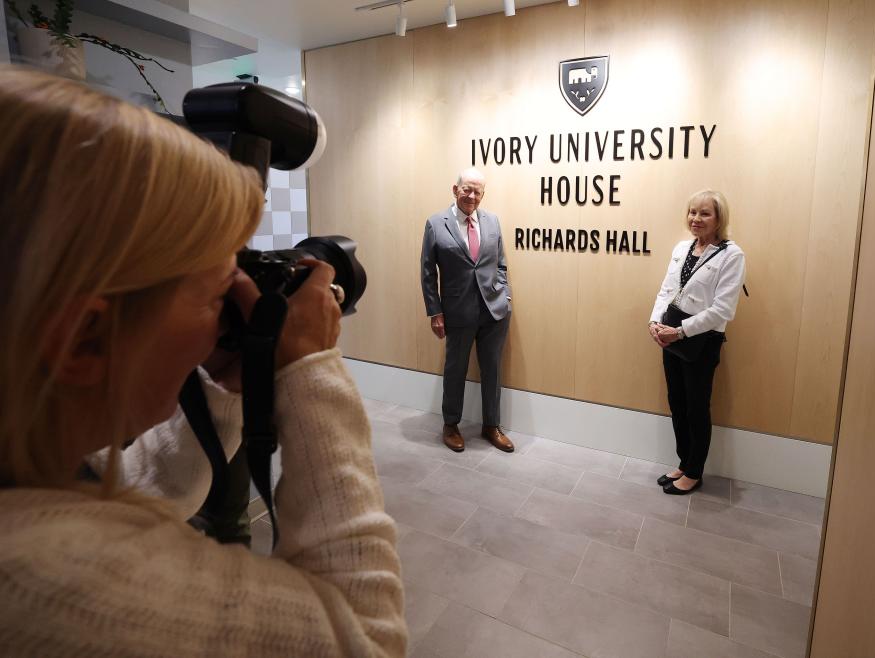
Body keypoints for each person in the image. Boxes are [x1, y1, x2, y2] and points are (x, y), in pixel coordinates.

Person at [0, 67, 406, 656]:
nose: (228, 320)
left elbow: (132, 492)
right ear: (85, 338)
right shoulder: (43, 584)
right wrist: (311, 370)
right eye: (219, 294)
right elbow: (365, 638)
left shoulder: (31, 489)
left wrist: (221, 393)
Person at [648, 190, 746, 495]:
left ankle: (694, 471)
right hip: (670, 334)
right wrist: (654, 321)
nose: (696, 219)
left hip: (701, 341)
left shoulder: (732, 255)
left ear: (719, 219)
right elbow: (667, 289)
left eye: (705, 213)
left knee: (696, 407)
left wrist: (679, 332)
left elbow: (722, 310)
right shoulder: (682, 248)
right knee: (676, 402)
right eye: (692, 212)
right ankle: (683, 461)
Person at [420, 168, 514, 453]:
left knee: (492, 371)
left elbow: (500, 264)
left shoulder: (493, 221)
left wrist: (504, 296)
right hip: (457, 312)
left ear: (483, 194)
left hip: (494, 312)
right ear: (455, 189)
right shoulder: (436, 223)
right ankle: (450, 425)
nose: (471, 196)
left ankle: (491, 426)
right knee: (455, 369)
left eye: (477, 191)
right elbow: (427, 272)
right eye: (467, 190)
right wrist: (435, 312)